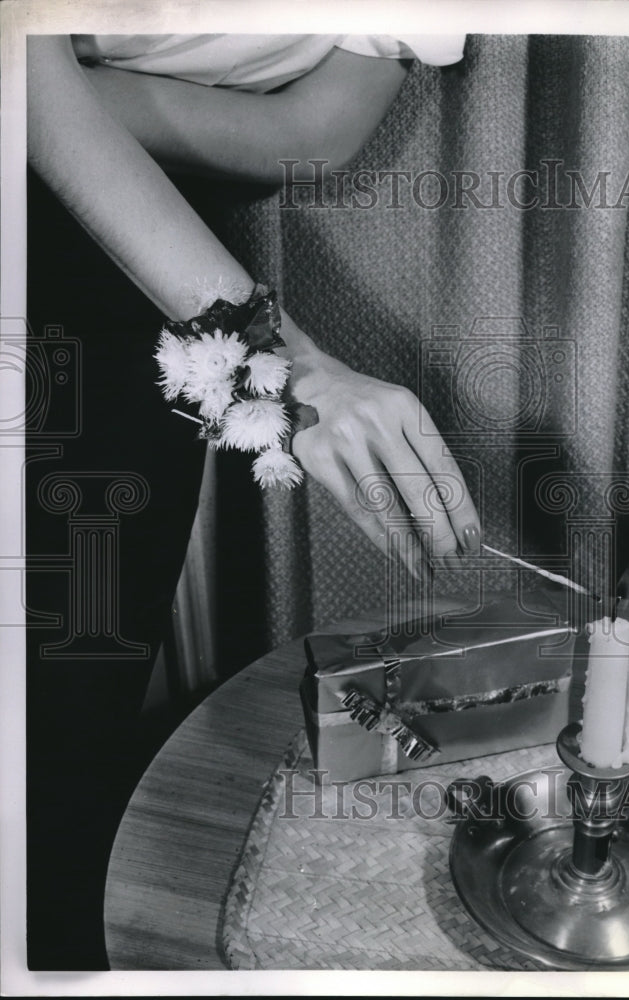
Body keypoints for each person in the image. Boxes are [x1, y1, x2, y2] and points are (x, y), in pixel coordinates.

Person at [25, 32, 480, 969]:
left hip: (138, 281)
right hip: (171, 282)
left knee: (73, 710)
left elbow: (312, 129)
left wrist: (72, 99)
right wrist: (288, 368)